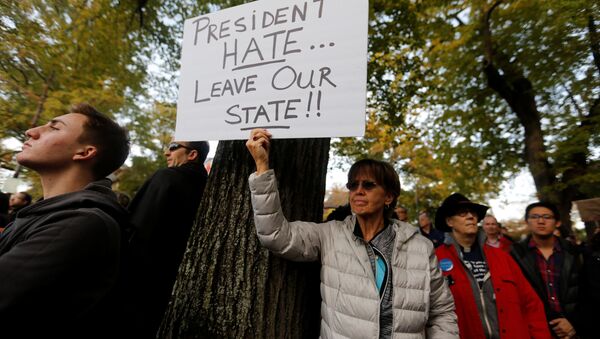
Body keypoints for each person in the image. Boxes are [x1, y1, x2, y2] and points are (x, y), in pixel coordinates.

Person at [246, 129, 458, 339]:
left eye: (368, 185)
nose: (358, 190)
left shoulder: (421, 247)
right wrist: (262, 167)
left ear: (389, 197)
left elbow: (442, 311)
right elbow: (275, 234)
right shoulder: (330, 234)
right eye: (353, 185)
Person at [0, 103, 130, 337]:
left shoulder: (82, 223)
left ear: (84, 152)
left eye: (54, 128)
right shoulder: (45, 214)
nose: (32, 132)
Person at [124, 139, 209, 337]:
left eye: (173, 147)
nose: (166, 153)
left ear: (192, 155)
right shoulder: (211, 186)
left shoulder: (166, 178)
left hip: (142, 276)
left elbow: (138, 225)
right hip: (177, 279)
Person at [434, 193, 550, 339]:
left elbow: (531, 304)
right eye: (462, 213)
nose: (470, 216)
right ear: (449, 221)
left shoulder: (502, 257)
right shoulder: (434, 259)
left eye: (473, 213)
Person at [510, 202, 582, 339]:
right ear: (527, 221)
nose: (541, 221)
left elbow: (586, 292)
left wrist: (574, 323)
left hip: (572, 328)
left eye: (547, 217)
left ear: (558, 222)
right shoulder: (516, 254)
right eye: (535, 217)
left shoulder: (574, 252)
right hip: (537, 328)